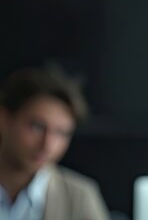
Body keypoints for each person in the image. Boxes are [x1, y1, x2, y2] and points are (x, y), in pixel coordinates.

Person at [0, 66, 109, 220]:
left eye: (61, 133)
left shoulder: (79, 196)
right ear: (4, 119)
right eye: (37, 127)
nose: (47, 145)